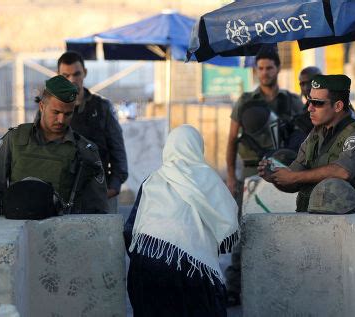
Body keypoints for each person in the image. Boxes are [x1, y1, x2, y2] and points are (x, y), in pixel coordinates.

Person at [124, 125, 239, 317]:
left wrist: (151, 256)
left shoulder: (152, 181)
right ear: (197, 148)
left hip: (148, 269)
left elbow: (130, 231)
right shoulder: (209, 179)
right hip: (194, 271)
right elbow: (226, 227)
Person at [224, 48, 304, 304]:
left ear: (278, 68)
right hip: (251, 170)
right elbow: (231, 141)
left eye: (269, 67)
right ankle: (233, 287)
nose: (264, 73)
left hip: (286, 171)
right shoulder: (246, 101)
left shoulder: (292, 101)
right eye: (260, 68)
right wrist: (231, 176)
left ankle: (287, 282)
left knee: (287, 226)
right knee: (244, 228)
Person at [0, 75, 109, 214]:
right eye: (56, 112)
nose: (61, 120)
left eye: (68, 114)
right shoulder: (15, 139)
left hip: (60, 229)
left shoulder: (84, 150)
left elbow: (98, 207)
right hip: (15, 225)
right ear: (42, 106)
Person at [258, 74, 355, 212]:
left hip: (348, 221)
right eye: (309, 102)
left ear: (338, 106)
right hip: (313, 217)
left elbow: (343, 171)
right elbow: (295, 178)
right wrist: (276, 177)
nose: (310, 108)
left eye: (317, 103)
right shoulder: (316, 133)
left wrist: (294, 176)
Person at [57, 51, 128, 213]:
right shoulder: (49, 110)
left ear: (85, 73)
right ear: (58, 76)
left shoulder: (101, 107)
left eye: (76, 74)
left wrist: (114, 187)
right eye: (66, 75)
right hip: (63, 195)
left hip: (100, 193)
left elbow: (118, 150)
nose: (72, 80)